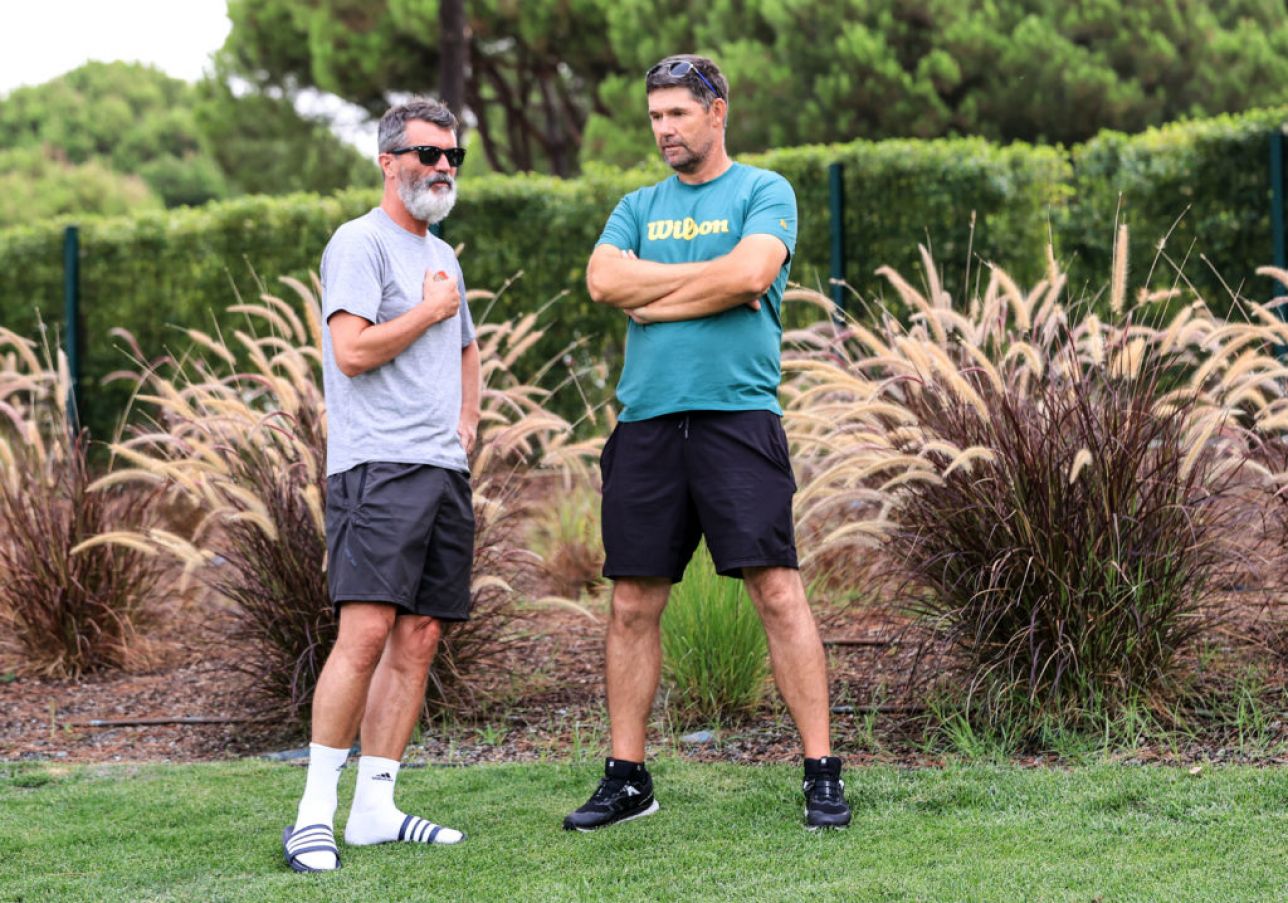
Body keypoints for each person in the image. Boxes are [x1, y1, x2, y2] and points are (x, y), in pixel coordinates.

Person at [563, 54, 851, 832]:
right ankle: (628, 778)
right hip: (647, 424)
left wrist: (656, 295)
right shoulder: (635, 204)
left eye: (678, 115)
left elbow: (751, 274)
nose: (664, 130)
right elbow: (601, 282)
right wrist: (706, 283)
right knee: (632, 602)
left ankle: (821, 772)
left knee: (777, 591)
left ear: (716, 112)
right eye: (655, 117)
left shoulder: (764, 191)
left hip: (736, 420)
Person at [282, 97, 481, 873]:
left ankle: (375, 808)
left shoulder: (444, 252)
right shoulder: (357, 243)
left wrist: (467, 421)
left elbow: (465, 345)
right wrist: (429, 309)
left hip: (441, 467)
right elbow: (353, 351)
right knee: (364, 634)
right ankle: (311, 816)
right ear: (388, 160)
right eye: (428, 154)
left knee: (421, 635)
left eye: (452, 156)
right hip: (377, 467)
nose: (442, 168)